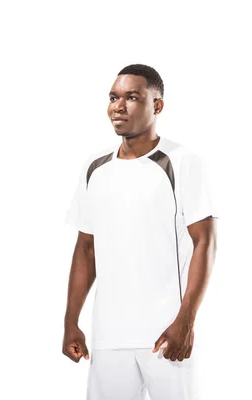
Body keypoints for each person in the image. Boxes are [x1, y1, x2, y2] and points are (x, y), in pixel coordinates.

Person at [62, 64, 217, 400]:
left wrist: (186, 321)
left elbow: (205, 241)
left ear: (157, 105)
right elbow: (85, 249)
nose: (119, 106)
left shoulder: (181, 161)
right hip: (109, 338)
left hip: (165, 335)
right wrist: (71, 321)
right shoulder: (95, 169)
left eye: (132, 97)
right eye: (114, 97)